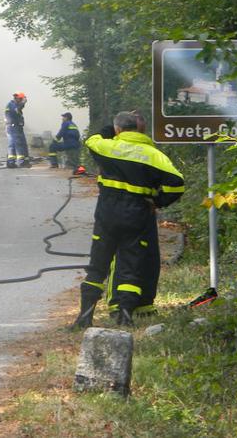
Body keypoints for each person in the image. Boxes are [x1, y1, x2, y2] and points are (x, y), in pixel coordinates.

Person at [71, 110, 184, 329]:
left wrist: (111, 128)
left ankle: (85, 317)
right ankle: (125, 315)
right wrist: (158, 201)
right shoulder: (154, 155)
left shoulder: (107, 147)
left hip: (107, 216)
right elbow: (177, 184)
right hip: (137, 217)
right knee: (131, 265)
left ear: (118, 129)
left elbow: (92, 139)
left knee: (97, 266)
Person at [4, 92, 31, 168]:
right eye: (21, 99)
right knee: (19, 144)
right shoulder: (11, 105)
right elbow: (17, 110)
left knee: (14, 144)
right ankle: (21, 162)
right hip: (13, 127)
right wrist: (23, 103)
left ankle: (11, 162)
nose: (21, 101)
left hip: (17, 127)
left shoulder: (14, 104)